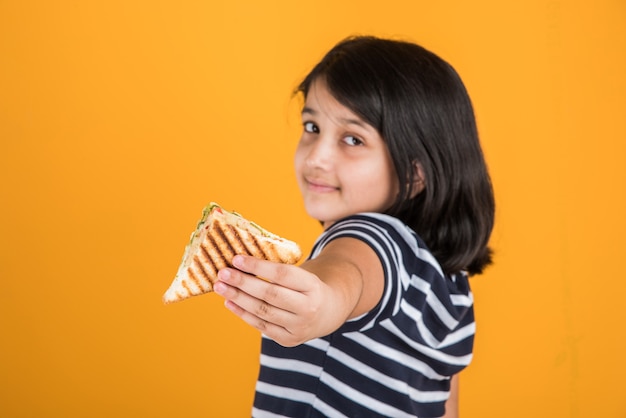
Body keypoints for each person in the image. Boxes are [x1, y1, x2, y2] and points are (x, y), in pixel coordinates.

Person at [213, 35, 495, 418]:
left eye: (352, 138)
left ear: (415, 174)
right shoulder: (447, 281)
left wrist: (325, 302)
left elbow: (352, 273)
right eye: (312, 127)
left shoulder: (374, 237)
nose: (317, 157)